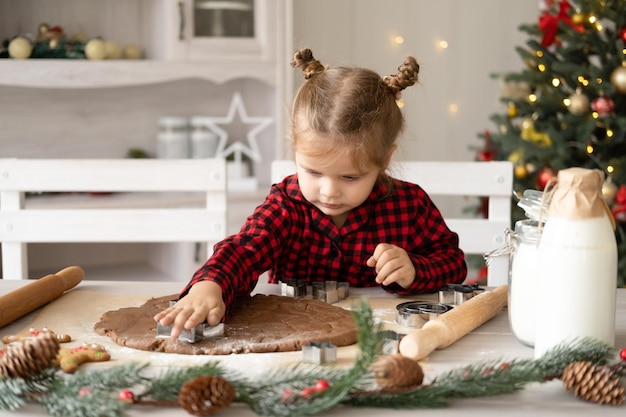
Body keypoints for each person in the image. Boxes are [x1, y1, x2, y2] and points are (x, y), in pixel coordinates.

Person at [155, 48, 467, 338]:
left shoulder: (409, 205)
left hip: (379, 340)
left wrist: (415, 269)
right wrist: (211, 284)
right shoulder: (286, 204)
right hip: (292, 339)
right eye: (314, 172)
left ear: (384, 159)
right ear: (296, 151)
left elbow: (453, 262)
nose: (329, 191)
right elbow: (245, 250)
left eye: (350, 176)